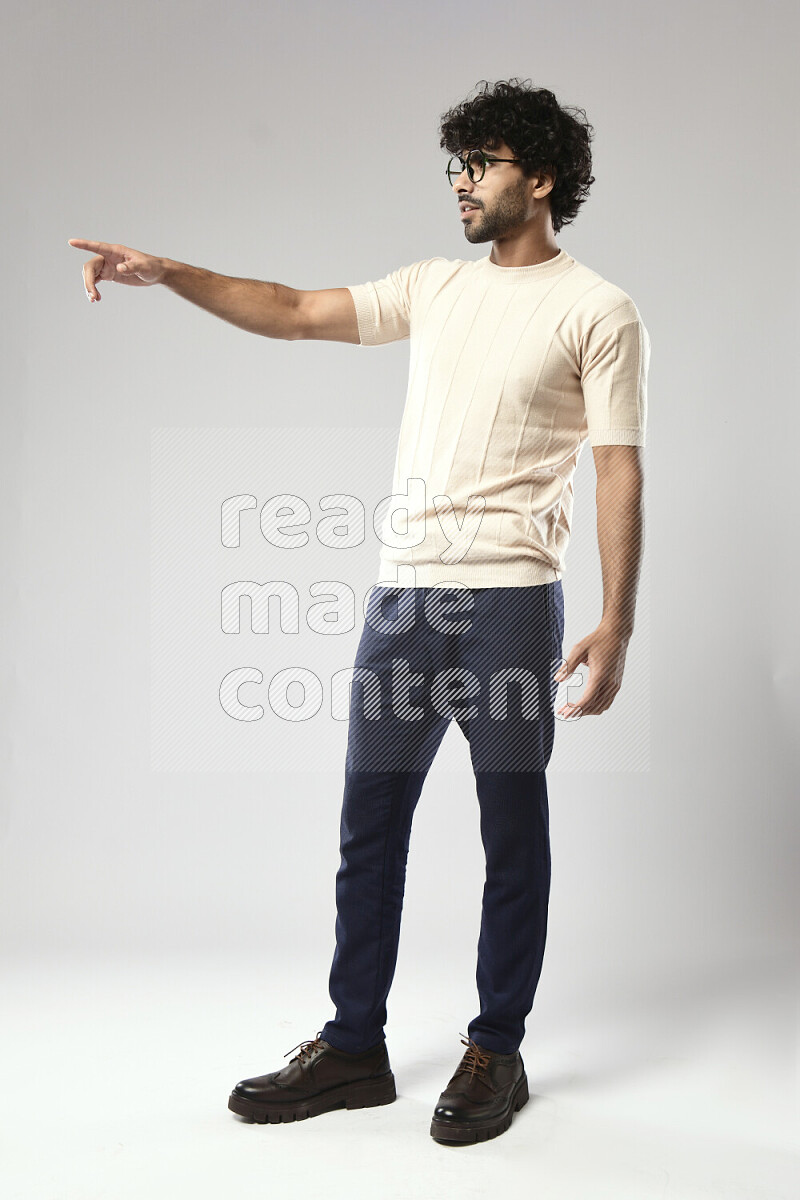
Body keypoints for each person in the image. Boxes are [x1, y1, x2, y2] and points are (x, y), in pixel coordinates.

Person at [69, 77, 650, 1146]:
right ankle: (351, 1047)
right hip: (403, 605)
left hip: (512, 609)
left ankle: (496, 1047)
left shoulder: (596, 310)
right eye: (455, 168)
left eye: (479, 166)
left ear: (542, 175)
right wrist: (168, 272)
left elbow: (617, 471)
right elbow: (291, 312)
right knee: (367, 828)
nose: (461, 186)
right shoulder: (436, 287)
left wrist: (614, 622)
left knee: (509, 832)